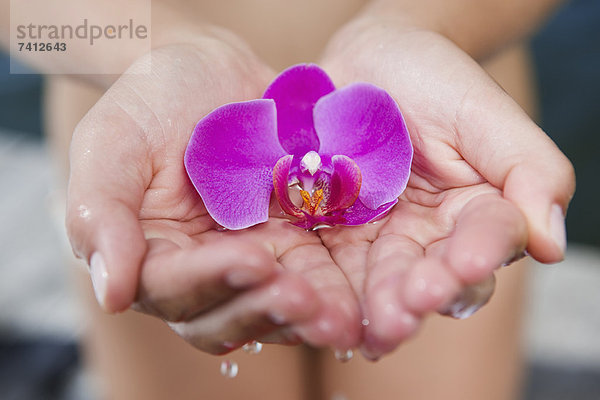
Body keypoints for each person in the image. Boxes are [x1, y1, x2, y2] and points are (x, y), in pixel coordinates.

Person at [1, 0, 575, 398]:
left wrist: (419, 24)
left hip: (438, 144)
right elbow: (22, 18)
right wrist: (156, 49)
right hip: (160, 158)